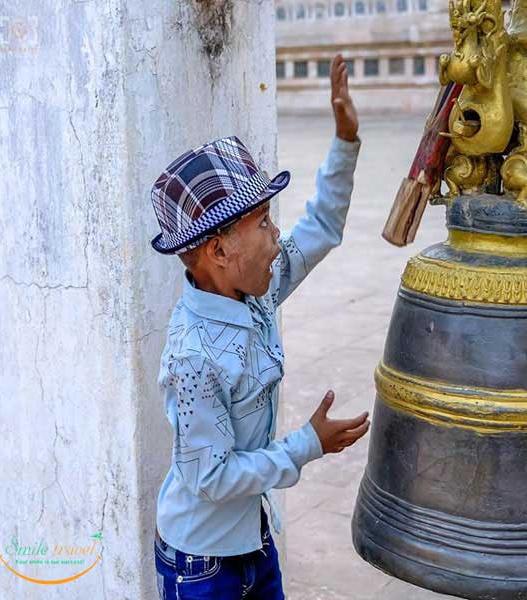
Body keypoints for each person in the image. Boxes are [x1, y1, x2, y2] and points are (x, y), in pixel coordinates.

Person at [147, 55, 368, 599]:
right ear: (219, 250)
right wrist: (304, 446)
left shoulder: (257, 289)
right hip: (201, 567)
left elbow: (320, 227)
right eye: (264, 223)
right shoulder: (193, 358)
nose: (276, 236)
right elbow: (212, 478)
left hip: (252, 540)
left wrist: (345, 142)